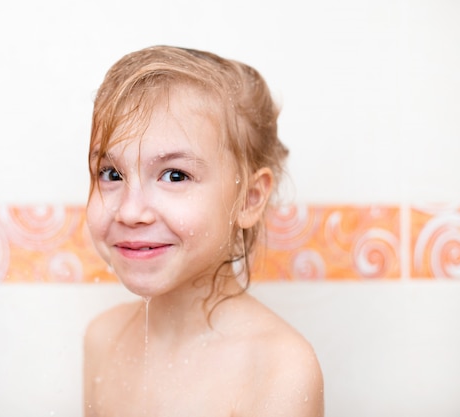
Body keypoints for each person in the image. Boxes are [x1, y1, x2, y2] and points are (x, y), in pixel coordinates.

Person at [83, 45, 324, 417]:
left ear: (248, 199)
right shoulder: (103, 339)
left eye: (175, 175)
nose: (130, 211)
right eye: (111, 174)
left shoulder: (278, 368)